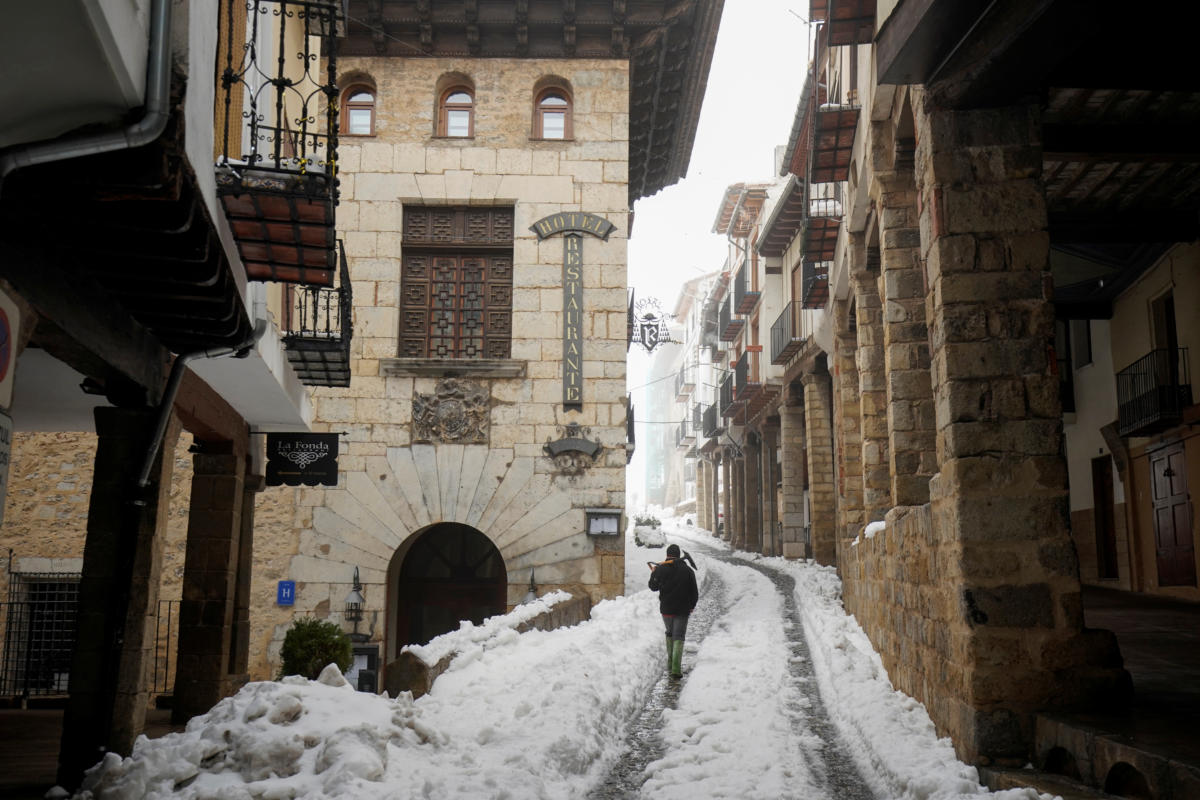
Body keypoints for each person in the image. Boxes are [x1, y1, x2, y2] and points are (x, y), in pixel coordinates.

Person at [648, 544, 698, 679]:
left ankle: (670, 664)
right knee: (679, 636)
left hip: (666, 609)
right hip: (683, 609)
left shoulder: (660, 569)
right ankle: (675, 668)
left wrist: (653, 574)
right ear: (678, 555)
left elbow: (653, 587)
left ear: (667, 554)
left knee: (670, 633)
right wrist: (692, 605)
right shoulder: (688, 571)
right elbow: (694, 591)